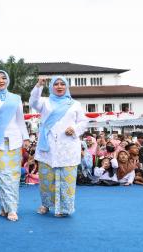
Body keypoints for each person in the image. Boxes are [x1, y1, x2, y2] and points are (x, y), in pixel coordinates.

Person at [29, 77, 88, 217]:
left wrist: (74, 129)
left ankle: (65, 208)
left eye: (62, 84)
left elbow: (84, 122)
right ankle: (46, 204)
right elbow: (33, 102)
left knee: (66, 179)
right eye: (56, 84)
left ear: (67, 86)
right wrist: (38, 86)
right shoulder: (45, 102)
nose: (59, 86)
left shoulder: (75, 104)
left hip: (68, 146)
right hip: (48, 145)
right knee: (46, 179)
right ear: (51, 86)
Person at [0, 70, 29, 221]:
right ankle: (7, 207)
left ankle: (10, 208)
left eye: (3, 78)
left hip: (14, 139)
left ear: (7, 80)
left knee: (13, 176)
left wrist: (26, 137)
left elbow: (20, 120)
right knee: (0, 175)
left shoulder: (15, 98)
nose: (0, 81)